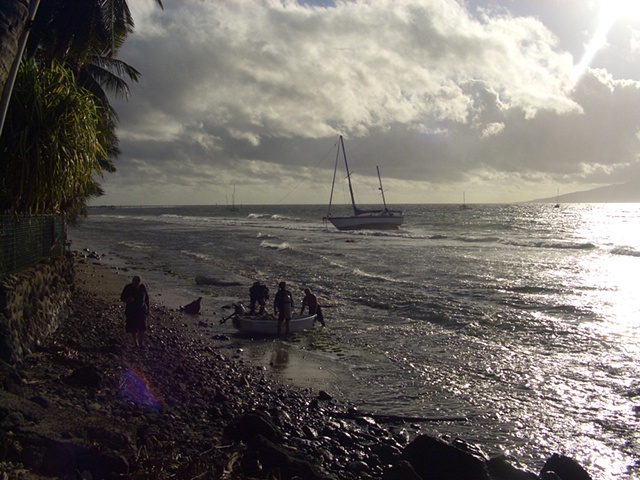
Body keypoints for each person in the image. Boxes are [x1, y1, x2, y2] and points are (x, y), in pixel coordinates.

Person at [120, 275, 150, 348]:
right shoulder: (128, 288)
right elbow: (122, 298)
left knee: (142, 327)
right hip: (131, 310)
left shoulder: (142, 287)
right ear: (132, 281)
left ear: (140, 282)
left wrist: (148, 309)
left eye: (138, 282)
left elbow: (147, 298)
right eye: (135, 281)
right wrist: (128, 299)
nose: (136, 283)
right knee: (132, 327)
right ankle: (135, 342)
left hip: (141, 310)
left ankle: (141, 342)